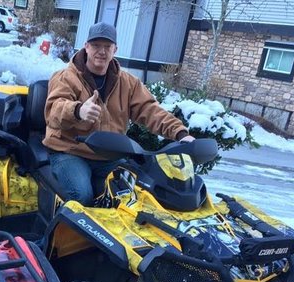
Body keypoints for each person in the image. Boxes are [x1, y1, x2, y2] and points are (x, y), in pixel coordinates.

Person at [43, 22, 195, 206]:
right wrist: (77, 110)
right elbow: (54, 109)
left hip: (108, 155)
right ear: (86, 46)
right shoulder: (65, 77)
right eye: (96, 45)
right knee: (81, 195)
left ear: (115, 49)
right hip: (70, 151)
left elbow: (151, 110)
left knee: (141, 192)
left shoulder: (129, 83)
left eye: (107, 46)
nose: (102, 51)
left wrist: (180, 133)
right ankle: (56, 234)